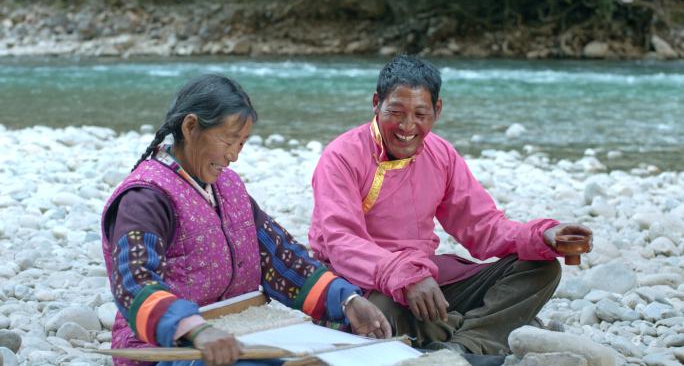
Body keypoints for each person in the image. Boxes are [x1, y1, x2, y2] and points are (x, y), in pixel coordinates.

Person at [307, 55, 593, 362]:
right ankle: (491, 332)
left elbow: (484, 227)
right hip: (363, 285)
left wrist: (544, 234)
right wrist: (405, 277)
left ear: (437, 110)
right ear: (376, 103)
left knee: (540, 268)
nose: (407, 126)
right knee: (379, 315)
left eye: (420, 114)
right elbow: (342, 244)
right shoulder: (341, 156)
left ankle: (463, 344)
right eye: (396, 112)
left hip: (424, 280)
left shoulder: (441, 154)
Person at [101, 74, 391, 366]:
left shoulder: (229, 187)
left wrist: (347, 301)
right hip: (169, 348)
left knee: (341, 339)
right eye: (228, 140)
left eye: (241, 143)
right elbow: (135, 282)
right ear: (190, 127)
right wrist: (195, 330)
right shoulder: (144, 198)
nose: (233, 156)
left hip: (237, 328)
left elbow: (282, 259)